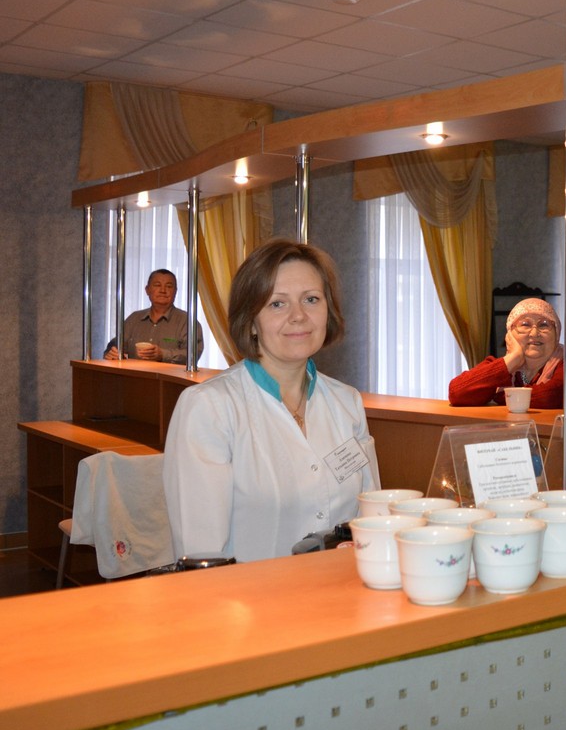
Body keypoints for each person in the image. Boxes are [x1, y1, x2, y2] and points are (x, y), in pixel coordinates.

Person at [163, 240, 380, 563]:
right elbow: (200, 555)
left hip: (340, 589)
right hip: (248, 594)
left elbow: (373, 519)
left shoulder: (347, 403)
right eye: (277, 304)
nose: (299, 316)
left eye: (311, 299)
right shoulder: (208, 408)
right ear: (251, 320)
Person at [448, 298, 565, 409]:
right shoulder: (501, 365)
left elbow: (549, 396)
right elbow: (457, 393)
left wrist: (502, 396)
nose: (534, 333)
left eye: (544, 325)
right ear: (510, 334)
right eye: (525, 324)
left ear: (557, 333)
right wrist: (514, 359)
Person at [104, 268, 204, 364]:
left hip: (169, 376)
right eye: (157, 285)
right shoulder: (134, 318)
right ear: (147, 290)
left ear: (175, 291)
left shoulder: (187, 322)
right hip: (133, 375)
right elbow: (115, 345)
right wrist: (112, 353)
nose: (163, 290)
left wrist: (163, 354)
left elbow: (193, 355)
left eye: (169, 286)